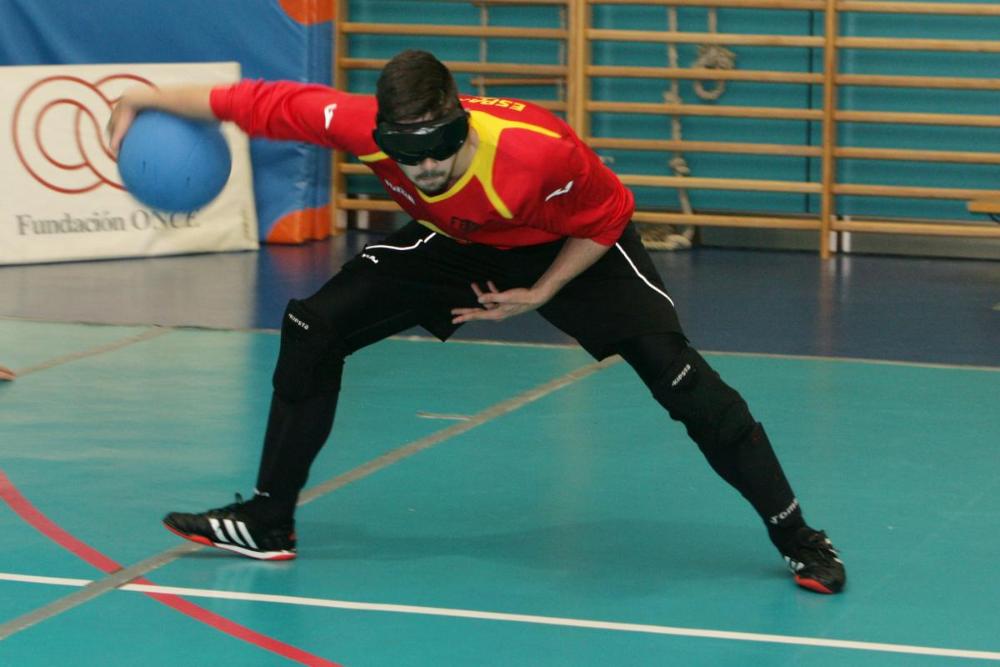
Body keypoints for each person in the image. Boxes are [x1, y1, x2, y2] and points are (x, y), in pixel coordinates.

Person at [108, 50, 845, 594]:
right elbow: (261, 102)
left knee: (684, 382)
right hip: (466, 242)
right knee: (312, 326)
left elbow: (608, 214)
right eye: (407, 156)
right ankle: (270, 519)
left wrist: (543, 291)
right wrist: (146, 96)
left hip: (573, 243)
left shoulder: (535, 152)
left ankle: (797, 534)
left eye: (437, 152)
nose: (423, 170)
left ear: (459, 123)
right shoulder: (360, 128)